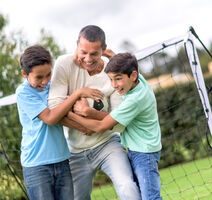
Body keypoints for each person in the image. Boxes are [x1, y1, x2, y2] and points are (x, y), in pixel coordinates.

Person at [48, 25, 141, 200]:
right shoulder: (64, 64)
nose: (88, 58)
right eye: (83, 52)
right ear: (77, 45)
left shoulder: (113, 74)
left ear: (103, 50)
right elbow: (54, 108)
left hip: (108, 144)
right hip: (75, 151)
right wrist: (84, 124)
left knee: (127, 185)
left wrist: (90, 114)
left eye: (94, 54)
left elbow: (119, 121)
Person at [68, 52, 163, 200]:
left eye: (118, 79)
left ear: (133, 75)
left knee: (151, 197)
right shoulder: (139, 82)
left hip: (144, 154)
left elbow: (101, 126)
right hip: (139, 150)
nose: (114, 85)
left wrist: (75, 114)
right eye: (111, 79)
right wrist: (107, 53)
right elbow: (113, 118)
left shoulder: (135, 100)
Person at [16, 45, 99, 200]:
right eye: (39, 77)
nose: (45, 81)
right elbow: (50, 118)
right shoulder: (24, 93)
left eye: (48, 75)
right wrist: (77, 94)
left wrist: (83, 126)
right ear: (25, 74)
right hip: (36, 165)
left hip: (62, 160)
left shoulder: (53, 86)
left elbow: (62, 114)